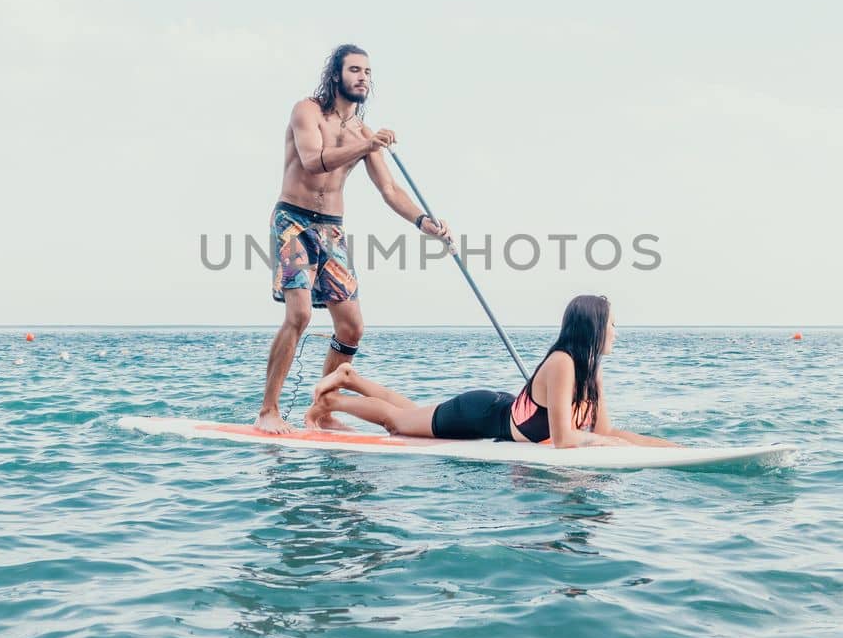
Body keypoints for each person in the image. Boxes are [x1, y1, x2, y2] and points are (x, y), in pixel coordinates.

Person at [252, 44, 453, 433]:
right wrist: (368, 144)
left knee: (351, 327)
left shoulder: (361, 131)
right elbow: (314, 161)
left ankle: (322, 409)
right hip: (292, 220)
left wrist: (424, 222)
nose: (363, 77)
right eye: (355, 70)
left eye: (367, 72)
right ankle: (268, 410)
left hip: (332, 229)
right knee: (299, 314)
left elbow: (390, 190)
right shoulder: (307, 111)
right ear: (337, 75)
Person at [303, 294, 680, 448]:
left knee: (412, 412)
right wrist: (614, 447)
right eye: (613, 324)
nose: (616, 331)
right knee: (398, 422)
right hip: (481, 413)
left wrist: (671, 449)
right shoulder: (563, 361)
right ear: (594, 328)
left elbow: (606, 431)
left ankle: (350, 378)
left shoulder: (590, 372)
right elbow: (566, 440)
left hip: (495, 411)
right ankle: (332, 401)